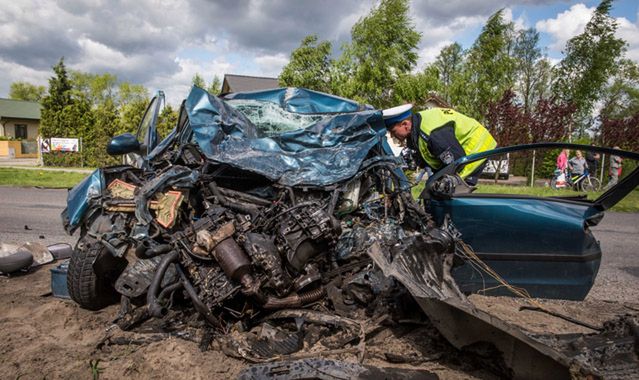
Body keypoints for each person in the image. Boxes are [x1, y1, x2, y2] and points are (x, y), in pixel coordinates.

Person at [382, 104, 497, 186]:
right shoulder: (418, 127)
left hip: (475, 147)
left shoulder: (432, 133)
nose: (392, 136)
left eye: (393, 131)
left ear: (405, 124)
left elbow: (456, 162)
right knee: (434, 187)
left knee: (449, 190)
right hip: (465, 149)